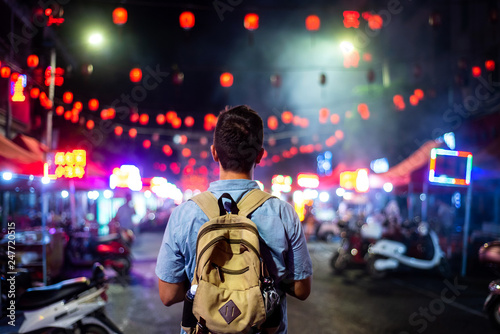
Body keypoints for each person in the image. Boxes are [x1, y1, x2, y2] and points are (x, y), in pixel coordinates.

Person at [156, 105, 313, 333]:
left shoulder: (184, 214)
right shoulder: (283, 213)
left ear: (214, 153)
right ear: (259, 155)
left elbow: (168, 295)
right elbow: (302, 290)